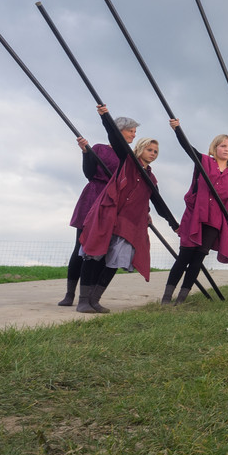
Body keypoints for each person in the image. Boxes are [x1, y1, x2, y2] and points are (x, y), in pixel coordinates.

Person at [76, 105, 177, 313]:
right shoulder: (127, 162)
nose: (153, 153)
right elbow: (116, 138)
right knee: (93, 255)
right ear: (140, 149)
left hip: (128, 224)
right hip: (108, 215)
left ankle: (95, 299)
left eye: (156, 151)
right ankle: (83, 301)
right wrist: (106, 117)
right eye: (149, 149)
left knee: (115, 261)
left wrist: (174, 224)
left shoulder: (151, 179)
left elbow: (159, 204)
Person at [60, 114, 138, 306]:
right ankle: (70, 294)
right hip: (93, 196)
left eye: (135, 132)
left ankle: (89, 297)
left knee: (100, 249)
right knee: (81, 247)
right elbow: (89, 173)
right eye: (131, 131)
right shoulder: (100, 149)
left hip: (113, 202)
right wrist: (86, 152)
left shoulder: (128, 155)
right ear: (118, 130)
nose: (134, 135)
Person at [162, 122, 228, 304]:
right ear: (215, 148)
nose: (226, 149)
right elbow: (187, 147)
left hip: (215, 220)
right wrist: (177, 129)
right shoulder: (204, 161)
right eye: (222, 145)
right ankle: (167, 297)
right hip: (196, 216)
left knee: (198, 259)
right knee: (185, 256)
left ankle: (181, 299)